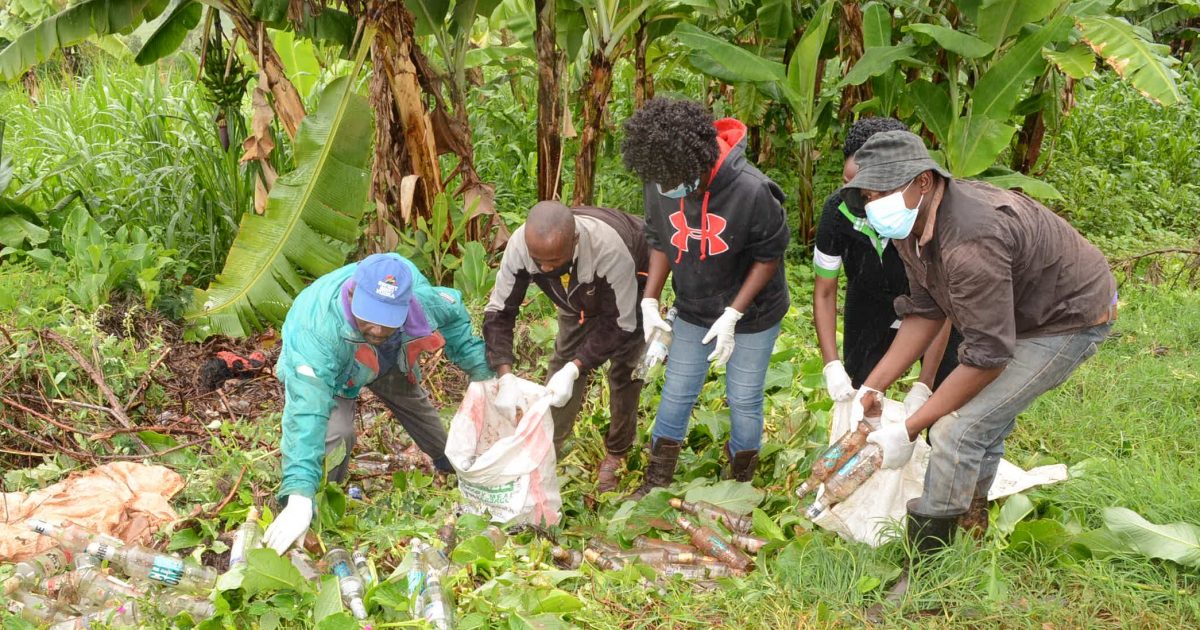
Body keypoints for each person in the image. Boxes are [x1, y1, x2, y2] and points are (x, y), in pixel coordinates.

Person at [841, 130, 1117, 553]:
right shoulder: (909, 226)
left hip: (1066, 317)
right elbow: (927, 311)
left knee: (957, 430)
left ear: (923, 181)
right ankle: (970, 527)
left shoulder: (972, 238)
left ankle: (930, 560)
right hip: (1015, 310)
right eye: (868, 195)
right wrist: (872, 388)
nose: (875, 204)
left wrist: (909, 429)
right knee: (981, 422)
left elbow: (989, 354)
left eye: (884, 191)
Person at [264, 253, 493, 553]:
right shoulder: (317, 331)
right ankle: (316, 506)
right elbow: (306, 414)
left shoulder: (417, 297)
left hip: (387, 359)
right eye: (369, 317)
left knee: (428, 424)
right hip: (338, 370)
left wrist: (484, 375)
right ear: (352, 294)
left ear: (407, 306)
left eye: (387, 320)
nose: (376, 329)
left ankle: (452, 468)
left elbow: (453, 317)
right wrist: (299, 495)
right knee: (338, 434)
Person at [621, 97, 790, 497]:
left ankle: (739, 484)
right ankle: (656, 480)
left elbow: (768, 257)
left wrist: (733, 314)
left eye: (673, 181)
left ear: (696, 161)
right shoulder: (661, 177)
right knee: (677, 389)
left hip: (754, 313)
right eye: (659, 182)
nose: (666, 190)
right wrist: (650, 300)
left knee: (743, 397)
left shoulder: (752, 190)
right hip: (694, 306)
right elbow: (660, 238)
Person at [483, 201, 649, 493]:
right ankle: (548, 446)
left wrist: (577, 367)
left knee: (624, 369)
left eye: (553, 261)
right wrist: (505, 374)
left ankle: (618, 451)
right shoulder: (522, 247)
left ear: (575, 241)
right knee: (562, 362)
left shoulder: (609, 250)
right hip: (576, 295)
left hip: (632, 278)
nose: (545, 267)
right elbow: (499, 312)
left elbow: (621, 324)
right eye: (539, 261)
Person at [813, 118, 961, 414]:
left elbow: (941, 308)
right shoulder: (837, 212)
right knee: (863, 394)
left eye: (868, 189)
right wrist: (831, 364)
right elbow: (825, 291)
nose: (858, 197)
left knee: (942, 401)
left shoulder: (928, 219)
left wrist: (924, 383)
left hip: (933, 309)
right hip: (867, 304)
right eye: (848, 184)